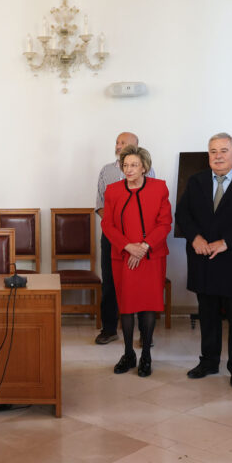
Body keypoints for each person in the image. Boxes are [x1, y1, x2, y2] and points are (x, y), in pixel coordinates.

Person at [176, 133, 232, 389]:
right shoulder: (196, 181)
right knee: (207, 315)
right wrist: (194, 237)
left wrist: (226, 241)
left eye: (223, 150)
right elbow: (183, 213)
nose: (218, 156)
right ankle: (208, 361)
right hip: (203, 259)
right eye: (213, 151)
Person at [101, 145, 172, 377]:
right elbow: (107, 225)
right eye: (125, 165)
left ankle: (146, 356)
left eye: (134, 165)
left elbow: (164, 223)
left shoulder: (159, 188)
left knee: (149, 305)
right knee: (127, 305)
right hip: (123, 256)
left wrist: (144, 247)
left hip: (151, 256)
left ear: (144, 167)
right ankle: (129, 353)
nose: (128, 169)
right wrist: (128, 247)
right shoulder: (112, 191)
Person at [94, 132, 156, 345]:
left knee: (140, 284)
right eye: (117, 142)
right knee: (110, 282)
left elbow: (151, 205)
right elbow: (100, 206)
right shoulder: (107, 171)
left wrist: (138, 241)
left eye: (124, 143)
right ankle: (109, 329)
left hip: (140, 241)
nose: (119, 146)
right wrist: (117, 232)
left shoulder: (150, 171)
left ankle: (144, 334)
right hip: (112, 238)